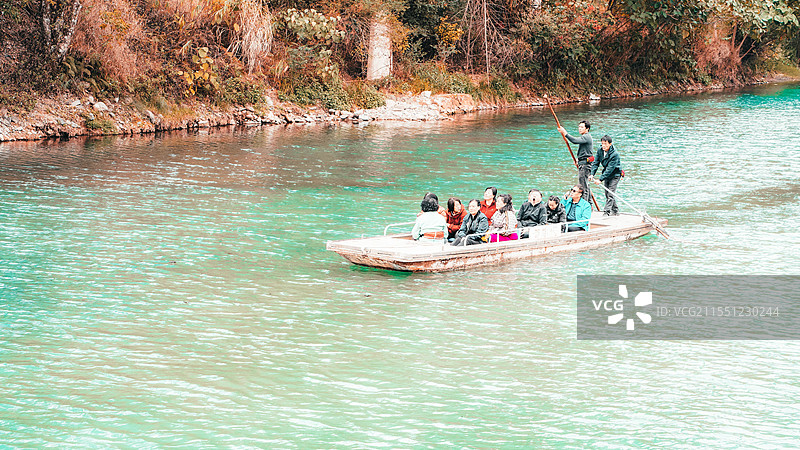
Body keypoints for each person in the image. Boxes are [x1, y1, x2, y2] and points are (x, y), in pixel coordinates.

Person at [558, 120, 594, 204]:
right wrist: (578, 160)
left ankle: (585, 205)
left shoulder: (586, 137)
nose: (580, 129)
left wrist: (565, 133)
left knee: (583, 187)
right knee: (586, 185)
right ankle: (589, 204)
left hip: (585, 165)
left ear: (587, 129)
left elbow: (574, 140)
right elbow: (584, 151)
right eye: (579, 127)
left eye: (582, 127)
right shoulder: (585, 137)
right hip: (583, 163)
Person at [589, 135, 622, 216]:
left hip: (615, 174)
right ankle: (615, 210)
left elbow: (610, 169)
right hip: (607, 174)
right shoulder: (600, 150)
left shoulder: (615, 154)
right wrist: (592, 174)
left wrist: (600, 179)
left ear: (610, 144)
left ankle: (606, 212)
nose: (603, 146)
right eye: (602, 143)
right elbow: (596, 163)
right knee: (607, 193)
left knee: (610, 193)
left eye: (605, 144)